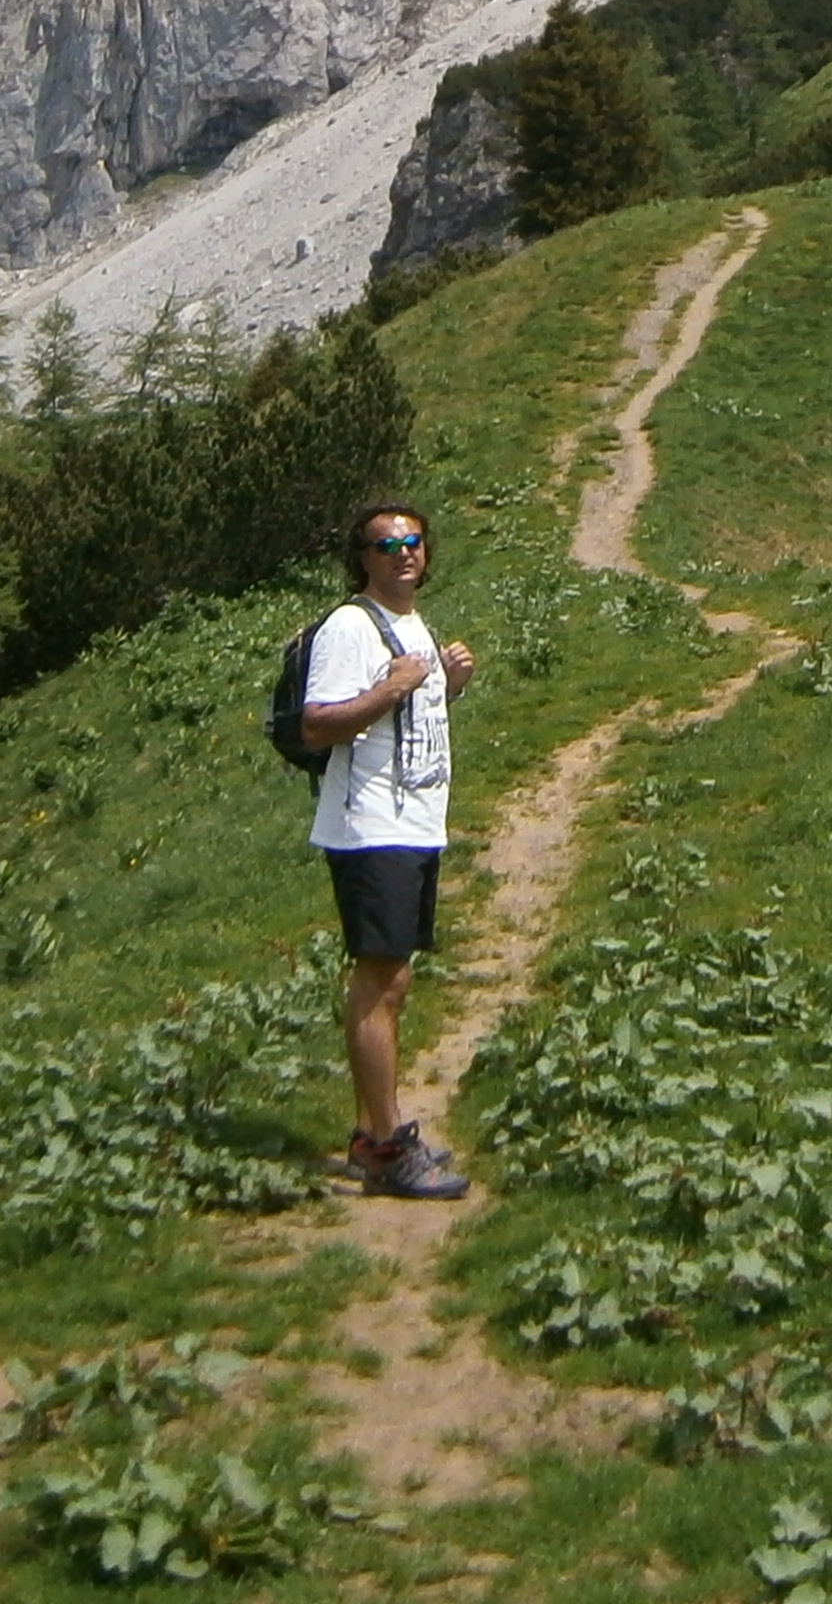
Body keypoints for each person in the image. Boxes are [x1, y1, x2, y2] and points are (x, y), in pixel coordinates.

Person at [300, 499, 476, 1198]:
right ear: (362, 558)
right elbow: (319, 724)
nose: (403, 553)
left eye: (413, 542)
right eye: (386, 545)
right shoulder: (350, 626)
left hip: (415, 824)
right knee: (382, 982)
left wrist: (446, 687)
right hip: (371, 828)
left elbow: (406, 722)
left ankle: (367, 1137)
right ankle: (388, 1145)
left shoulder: (414, 625)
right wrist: (392, 685)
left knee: (390, 981)